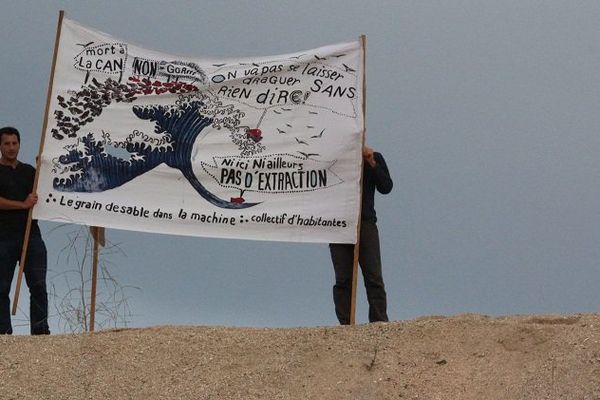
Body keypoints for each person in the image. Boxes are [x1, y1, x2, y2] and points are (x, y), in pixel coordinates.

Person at [329, 146, 393, 325]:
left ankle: (379, 321)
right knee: (343, 278)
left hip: (365, 223)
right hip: (338, 224)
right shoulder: (334, 157)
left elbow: (386, 186)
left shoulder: (373, 157)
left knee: (373, 275)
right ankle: (345, 324)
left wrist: (371, 162)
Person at [0, 126, 50, 335]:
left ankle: (40, 331)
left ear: (19, 144)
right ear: (0, 146)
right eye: (7, 143)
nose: (11, 148)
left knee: (38, 284)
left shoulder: (30, 172)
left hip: (31, 236)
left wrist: (45, 168)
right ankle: (3, 333)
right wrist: (22, 204)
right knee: (1, 288)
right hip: (3, 238)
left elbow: (46, 191)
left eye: (14, 143)